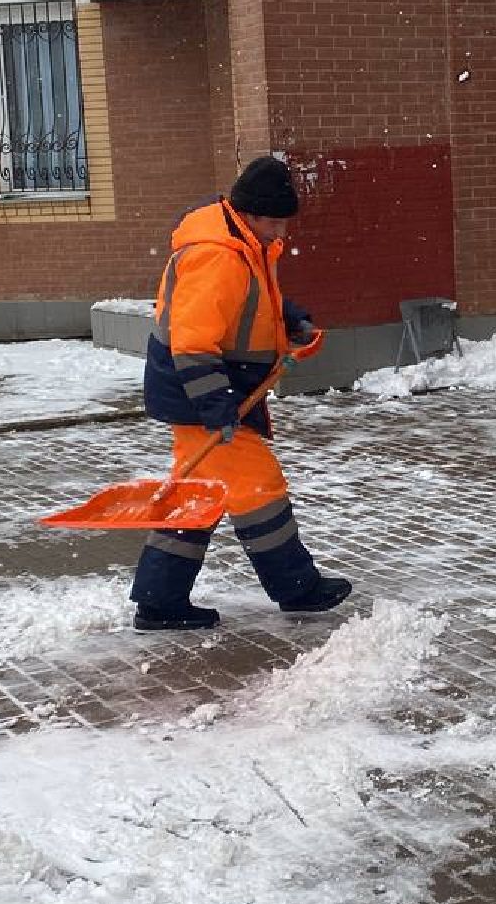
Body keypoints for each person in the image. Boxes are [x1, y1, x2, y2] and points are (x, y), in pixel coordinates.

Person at [129, 155, 352, 630]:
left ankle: (159, 600)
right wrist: (216, 403)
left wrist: (289, 320)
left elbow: (250, 302)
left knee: (199, 495)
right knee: (259, 488)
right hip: (203, 391)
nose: (281, 234)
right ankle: (298, 589)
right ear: (250, 213)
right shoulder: (218, 256)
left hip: (204, 391)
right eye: (274, 222)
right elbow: (193, 342)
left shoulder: (243, 244)